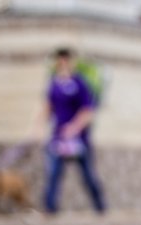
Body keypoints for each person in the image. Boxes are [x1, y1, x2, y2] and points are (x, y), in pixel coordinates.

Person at [40, 48, 105, 214]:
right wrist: (38, 126)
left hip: (79, 139)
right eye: (60, 59)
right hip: (58, 137)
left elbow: (88, 111)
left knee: (88, 175)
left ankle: (101, 207)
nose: (63, 62)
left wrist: (74, 127)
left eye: (66, 59)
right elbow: (48, 107)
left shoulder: (80, 83)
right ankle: (50, 209)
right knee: (53, 173)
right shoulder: (53, 84)